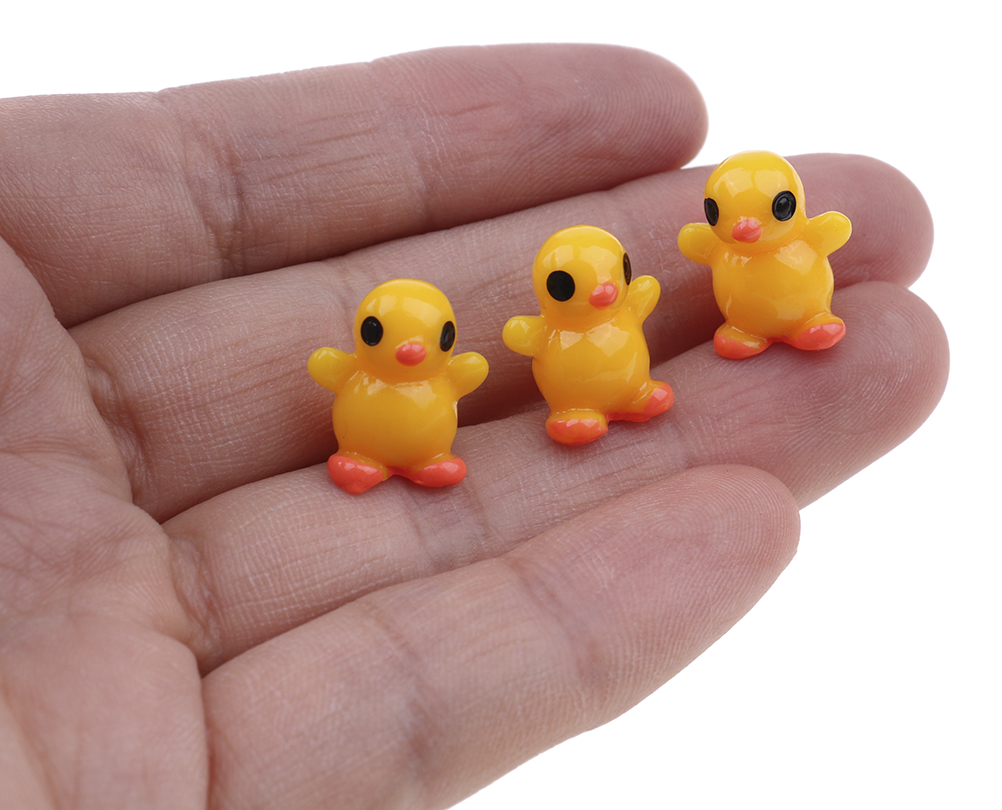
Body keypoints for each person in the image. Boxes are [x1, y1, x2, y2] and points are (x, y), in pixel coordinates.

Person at [0, 44, 947, 809]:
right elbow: (443, 354)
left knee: (623, 385)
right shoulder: (485, 339)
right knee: (540, 407)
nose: (416, 351)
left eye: (770, 212)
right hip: (407, 430)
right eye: (574, 285)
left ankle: (634, 389)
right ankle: (448, 440)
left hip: (618, 375)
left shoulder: (652, 290)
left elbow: (537, 337)